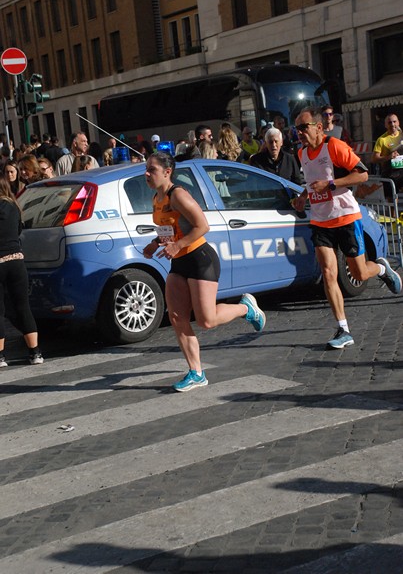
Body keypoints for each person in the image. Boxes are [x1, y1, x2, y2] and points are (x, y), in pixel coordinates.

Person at [142, 151, 265, 392]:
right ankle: (196, 373)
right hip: (179, 263)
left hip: (200, 259)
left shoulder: (178, 195)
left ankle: (246, 308)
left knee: (206, 321)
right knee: (177, 317)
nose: (146, 174)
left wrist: (178, 245)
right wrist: (155, 243)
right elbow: (169, 228)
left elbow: (203, 226)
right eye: (146, 169)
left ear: (167, 172)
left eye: (152, 170)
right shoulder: (157, 199)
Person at [292, 108, 402, 350]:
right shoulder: (301, 153)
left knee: (360, 273)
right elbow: (312, 182)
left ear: (318, 127)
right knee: (329, 273)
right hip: (320, 221)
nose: (299, 132)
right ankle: (343, 329)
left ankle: (382, 268)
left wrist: (330, 185)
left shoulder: (334, 146)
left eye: (304, 127)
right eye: (297, 128)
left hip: (346, 217)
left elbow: (362, 175)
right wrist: (303, 195)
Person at [0, 177, 44, 366]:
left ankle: (1, 357)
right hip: (17, 260)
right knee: (23, 307)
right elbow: (18, 231)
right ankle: (35, 353)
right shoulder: (14, 207)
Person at [371, 113, 403, 194]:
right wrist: (388, 157)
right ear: (385, 125)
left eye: (394, 121)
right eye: (389, 123)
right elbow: (374, 159)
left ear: (398, 122)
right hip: (389, 173)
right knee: (392, 202)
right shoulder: (381, 140)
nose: (392, 124)